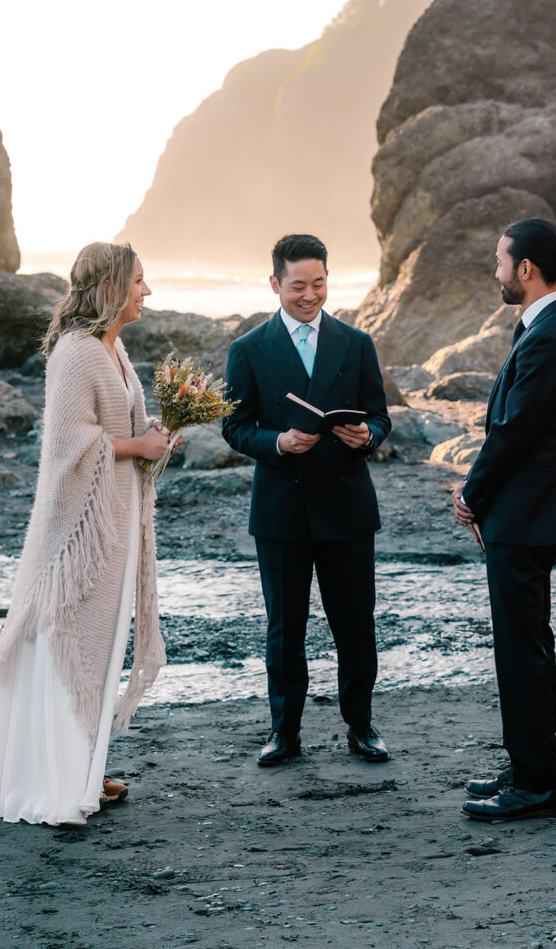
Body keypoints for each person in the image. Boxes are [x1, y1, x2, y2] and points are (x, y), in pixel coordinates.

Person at [0, 241, 181, 825]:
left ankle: (84, 763)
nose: (146, 291)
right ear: (110, 288)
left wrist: (152, 435)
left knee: (100, 646)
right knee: (66, 643)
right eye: (137, 281)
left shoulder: (115, 347)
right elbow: (67, 447)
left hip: (115, 524)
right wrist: (137, 446)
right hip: (77, 536)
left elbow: (117, 429)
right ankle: (50, 776)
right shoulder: (77, 353)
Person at [222, 233, 392, 766]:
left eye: (319, 283)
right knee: (283, 627)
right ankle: (284, 731)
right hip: (281, 509)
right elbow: (234, 426)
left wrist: (369, 437)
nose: (310, 295)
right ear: (276, 283)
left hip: (346, 506)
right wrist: (277, 442)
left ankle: (361, 725)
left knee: (355, 623)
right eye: (298, 285)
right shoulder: (247, 349)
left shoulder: (356, 342)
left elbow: (380, 415)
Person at [452, 217, 556, 822]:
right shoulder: (550, 327)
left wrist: (472, 494)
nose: (496, 269)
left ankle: (537, 785)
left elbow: (515, 433)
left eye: (499, 259)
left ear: (526, 269)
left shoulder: (553, 334)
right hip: (528, 510)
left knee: (523, 650)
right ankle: (529, 764)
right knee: (525, 645)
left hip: (527, 513)